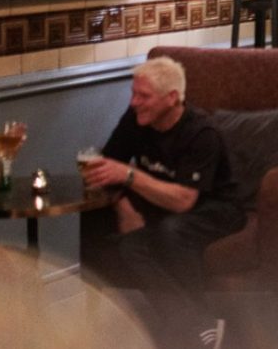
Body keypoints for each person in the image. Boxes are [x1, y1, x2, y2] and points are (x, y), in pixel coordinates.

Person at [81, 57, 243, 349]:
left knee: (171, 232)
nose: (134, 103)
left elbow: (183, 200)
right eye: (133, 94)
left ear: (172, 98)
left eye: (143, 96)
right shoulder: (135, 120)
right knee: (123, 240)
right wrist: (124, 207)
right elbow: (109, 168)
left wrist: (130, 176)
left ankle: (189, 325)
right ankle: (197, 323)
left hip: (215, 206)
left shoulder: (201, 133)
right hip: (159, 202)